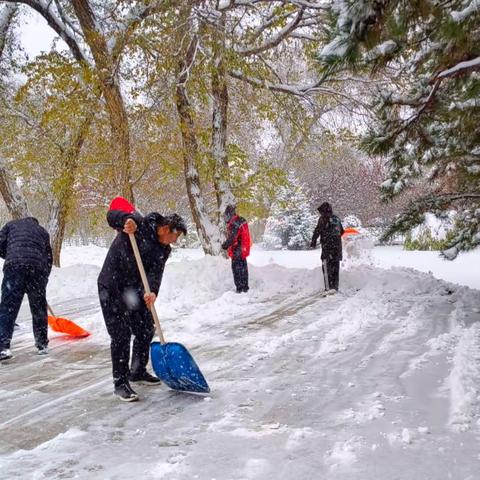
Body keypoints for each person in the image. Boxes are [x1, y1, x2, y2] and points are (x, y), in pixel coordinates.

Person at [98, 201, 187, 402]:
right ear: (165, 229)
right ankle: (120, 384)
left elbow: (156, 273)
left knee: (145, 327)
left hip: (135, 290)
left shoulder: (164, 250)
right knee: (120, 334)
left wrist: (153, 292)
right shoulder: (139, 223)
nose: (175, 240)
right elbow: (111, 215)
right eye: (175, 235)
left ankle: (137, 370)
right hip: (112, 286)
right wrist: (125, 221)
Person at [0, 217, 53, 361]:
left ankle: (3, 347)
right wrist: (43, 280)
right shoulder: (42, 232)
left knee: (7, 308)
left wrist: (10, 254)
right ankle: (42, 345)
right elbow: (49, 258)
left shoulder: (10, 225)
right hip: (36, 270)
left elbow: (0, 244)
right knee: (38, 309)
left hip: (14, 268)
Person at [310, 202, 344, 292]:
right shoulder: (336, 218)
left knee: (326, 268)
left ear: (323, 211)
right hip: (337, 249)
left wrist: (313, 242)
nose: (320, 213)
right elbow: (342, 231)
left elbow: (317, 231)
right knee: (335, 268)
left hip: (327, 248)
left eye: (321, 212)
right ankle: (335, 287)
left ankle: (328, 288)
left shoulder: (322, 219)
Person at [221, 205, 251, 293]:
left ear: (230, 215)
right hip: (244, 248)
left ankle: (239, 289)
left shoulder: (235, 223)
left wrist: (225, 245)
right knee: (243, 269)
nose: (225, 219)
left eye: (226, 216)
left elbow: (232, 238)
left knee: (236, 270)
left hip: (237, 249)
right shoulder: (241, 220)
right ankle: (245, 288)